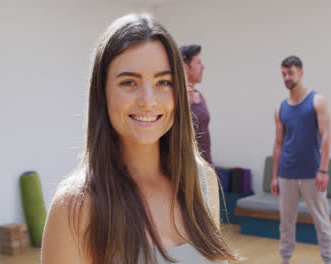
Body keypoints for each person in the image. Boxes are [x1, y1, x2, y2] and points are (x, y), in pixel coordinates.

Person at [41, 14, 237, 264]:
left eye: (163, 82)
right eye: (129, 82)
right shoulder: (75, 206)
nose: (148, 99)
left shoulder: (202, 182)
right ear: (102, 92)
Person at [270, 56, 331, 264]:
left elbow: (326, 136)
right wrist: (274, 176)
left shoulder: (317, 101)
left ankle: (329, 260)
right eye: (283, 74)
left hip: (312, 173)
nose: (287, 77)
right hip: (286, 173)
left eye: (290, 73)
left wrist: (323, 170)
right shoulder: (281, 108)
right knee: (286, 223)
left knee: (322, 221)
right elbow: (278, 143)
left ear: (301, 72)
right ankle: (285, 259)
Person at [180, 45, 213, 165]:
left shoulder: (201, 97)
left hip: (206, 166)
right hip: (186, 169)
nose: (203, 67)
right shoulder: (176, 100)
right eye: (198, 63)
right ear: (185, 67)